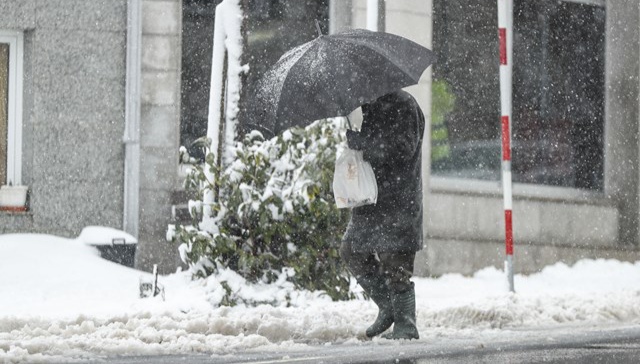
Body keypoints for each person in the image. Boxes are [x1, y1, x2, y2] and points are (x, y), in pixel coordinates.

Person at [340, 89, 425, 340]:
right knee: (351, 249)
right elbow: (375, 150)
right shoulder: (371, 103)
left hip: (399, 199)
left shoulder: (404, 105)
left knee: (395, 263)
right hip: (371, 199)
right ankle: (388, 306)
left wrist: (364, 143)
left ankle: (406, 325)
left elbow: (402, 150)